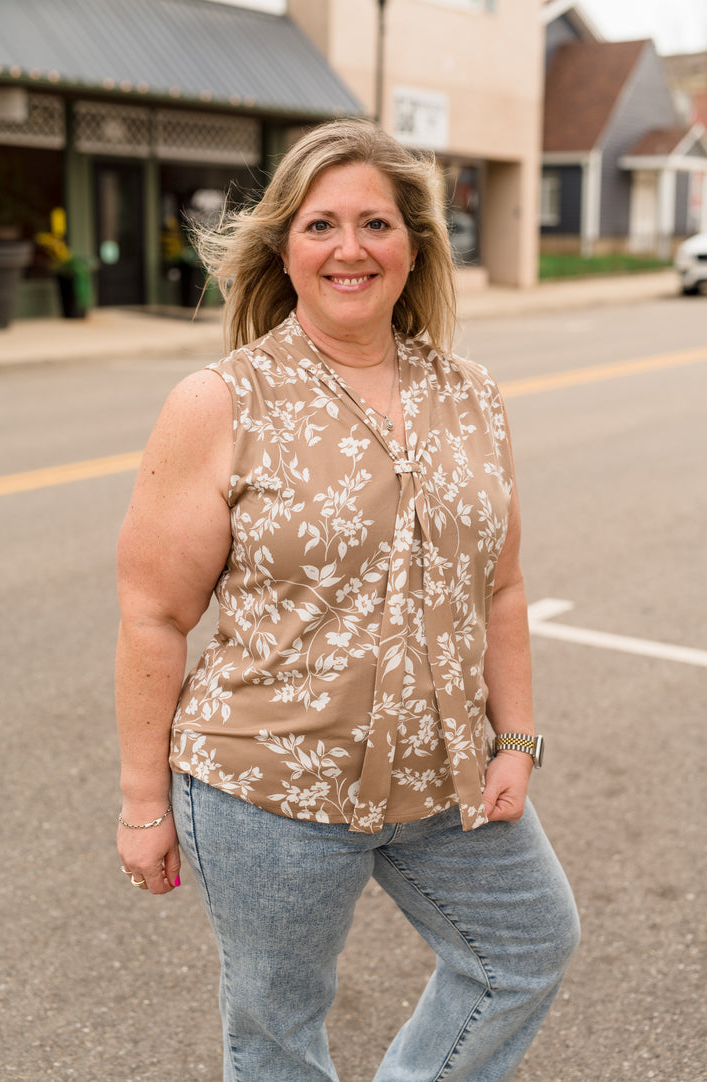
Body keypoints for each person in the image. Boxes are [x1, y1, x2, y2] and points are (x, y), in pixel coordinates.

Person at [116, 118, 579, 1082]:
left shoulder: (473, 395)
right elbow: (154, 612)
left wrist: (517, 737)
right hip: (267, 792)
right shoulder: (222, 401)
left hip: (445, 778)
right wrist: (141, 803)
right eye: (322, 225)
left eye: (376, 223)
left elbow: (501, 585)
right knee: (279, 1028)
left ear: (413, 246)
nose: (350, 248)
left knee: (526, 948)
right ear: (286, 247)